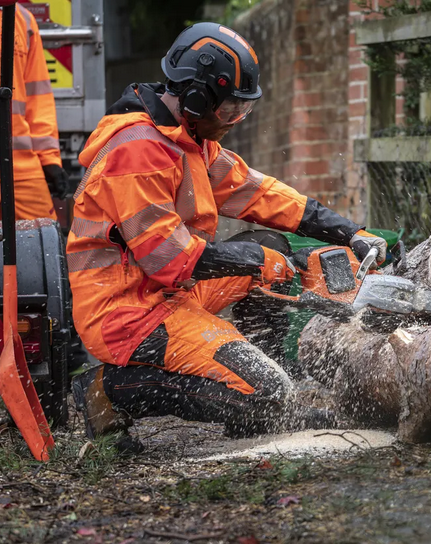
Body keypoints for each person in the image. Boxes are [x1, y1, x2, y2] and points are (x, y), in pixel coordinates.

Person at [68, 22, 387, 445]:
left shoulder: (188, 140)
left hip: (170, 292)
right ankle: (105, 388)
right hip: (127, 313)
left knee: (270, 247)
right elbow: (166, 256)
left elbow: (262, 194)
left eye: (242, 109)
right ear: (198, 97)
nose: (234, 120)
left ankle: (261, 389)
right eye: (229, 109)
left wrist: (350, 233)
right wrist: (256, 262)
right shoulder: (136, 152)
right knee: (268, 380)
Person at [0, 2, 69, 220]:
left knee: (45, 242)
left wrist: (49, 159)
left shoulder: (22, 19)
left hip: (19, 164)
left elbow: (38, 98)